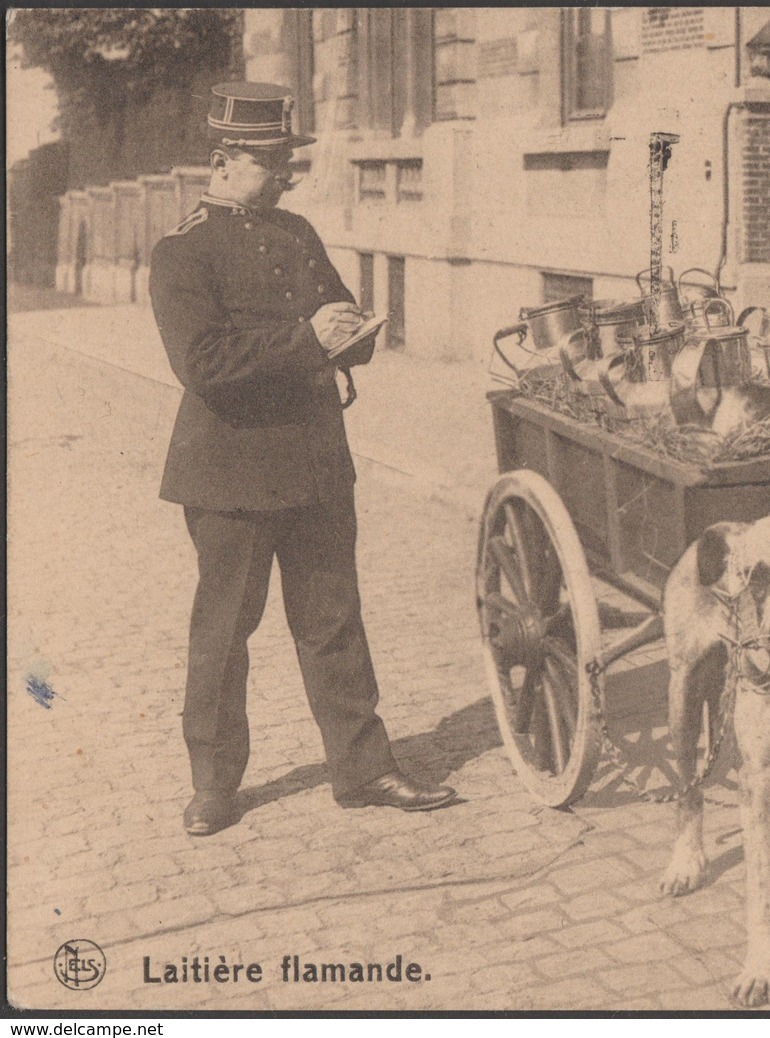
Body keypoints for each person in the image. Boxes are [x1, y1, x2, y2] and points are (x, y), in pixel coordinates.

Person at [149, 82, 455, 836]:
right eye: (271, 162)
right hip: (231, 473)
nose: (286, 176)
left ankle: (364, 769)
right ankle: (214, 786)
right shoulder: (182, 251)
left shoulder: (297, 232)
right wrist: (308, 341)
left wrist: (356, 334)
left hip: (316, 461)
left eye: (287, 162)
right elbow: (205, 364)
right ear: (222, 162)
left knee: (333, 620)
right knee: (224, 632)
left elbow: (341, 315)